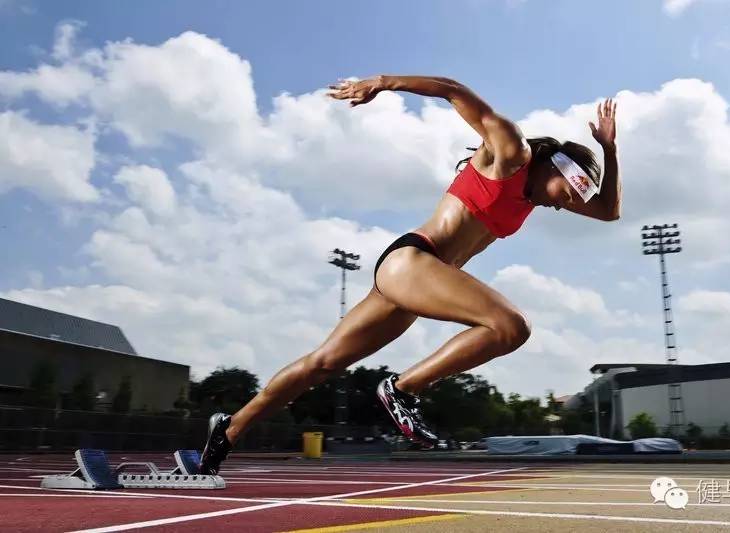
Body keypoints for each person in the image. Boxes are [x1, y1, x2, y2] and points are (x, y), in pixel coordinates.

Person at [199, 75, 620, 474]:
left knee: (322, 363)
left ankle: (228, 430)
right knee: (511, 327)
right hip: (414, 259)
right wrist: (382, 83)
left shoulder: (532, 198)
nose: (561, 205)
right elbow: (453, 91)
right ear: (556, 168)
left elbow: (608, 211)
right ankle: (402, 389)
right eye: (566, 194)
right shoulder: (512, 152)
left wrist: (609, 149)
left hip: (416, 279)